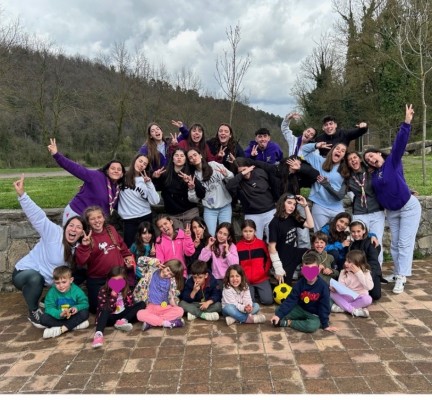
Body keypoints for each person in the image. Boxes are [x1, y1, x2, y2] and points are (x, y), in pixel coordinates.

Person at [11, 175, 87, 328]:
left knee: (81, 272)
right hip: (25, 273)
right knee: (36, 279)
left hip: (52, 280)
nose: (74, 229)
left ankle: (47, 300)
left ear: (82, 232)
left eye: (78, 227)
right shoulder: (54, 233)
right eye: (71, 225)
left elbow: (86, 261)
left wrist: (86, 246)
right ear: (66, 227)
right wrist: (22, 195)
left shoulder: (79, 246)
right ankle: (33, 311)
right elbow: (38, 217)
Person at [363, 104, 421, 294]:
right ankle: (397, 273)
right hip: (392, 211)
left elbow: (399, 144)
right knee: (395, 244)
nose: (370, 159)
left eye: (371, 155)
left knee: (404, 243)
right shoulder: (374, 175)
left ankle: (402, 277)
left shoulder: (392, 161)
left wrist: (406, 123)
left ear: (379, 153)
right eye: (368, 159)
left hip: (408, 207)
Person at [47, 138, 125, 225]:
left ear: (122, 174)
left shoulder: (117, 190)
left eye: (119, 169)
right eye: (113, 168)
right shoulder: (96, 176)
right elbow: (75, 168)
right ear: (107, 170)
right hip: (77, 213)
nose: (116, 171)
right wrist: (56, 155)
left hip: (93, 220)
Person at [75, 206, 135, 314]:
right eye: (92, 219)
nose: (97, 221)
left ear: (104, 217)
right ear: (88, 222)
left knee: (123, 306)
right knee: (96, 309)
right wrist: (85, 245)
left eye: (99, 217)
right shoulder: (87, 237)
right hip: (98, 279)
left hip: (117, 276)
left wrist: (127, 256)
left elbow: (121, 245)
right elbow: (81, 261)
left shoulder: (111, 229)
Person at [270, 252, 338, 333]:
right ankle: (300, 320)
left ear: (318, 269)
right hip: (300, 309)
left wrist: (325, 325)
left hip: (313, 314)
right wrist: (278, 315)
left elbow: (324, 306)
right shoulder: (299, 284)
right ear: (302, 270)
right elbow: (290, 300)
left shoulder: (323, 286)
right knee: (278, 311)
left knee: (312, 326)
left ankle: (288, 323)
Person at [92, 266, 146, 348]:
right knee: (104, 310)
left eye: (120, 280)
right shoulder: (103, 290)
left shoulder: (126, 290)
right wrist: (113, 296)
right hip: (109, 317)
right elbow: (105, 308)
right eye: (114, 280)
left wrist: (130, 312)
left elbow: (130, 305)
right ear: (109, 280)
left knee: (142, 304)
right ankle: (98, 335)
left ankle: (123, 321)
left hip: (122, 316)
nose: (116, 283)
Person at [225, 157, 277, 240]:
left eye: (245, 169)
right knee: (255, 240)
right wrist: (241, 174)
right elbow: (229, 186)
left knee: (273, 240)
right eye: (241, 172)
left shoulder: (260, 172)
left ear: (249, 167)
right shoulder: (238, 181)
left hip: (269, 211)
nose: (245, 173)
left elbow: (273, 182)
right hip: (252, 214)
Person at [152, 148, 205, 229]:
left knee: (190, 235)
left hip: (190, 212)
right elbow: (157, 188)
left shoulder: (191, 172)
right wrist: (155, 178)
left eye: (182, 156)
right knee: (178, 235)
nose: (179, 158)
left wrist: (192, 184)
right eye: (176, 155)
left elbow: (202, 193)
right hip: (173, 215)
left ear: (185, 159)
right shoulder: (165, 173)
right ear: (173, 159)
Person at [302, 141, 349, 231]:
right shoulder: (320, 161)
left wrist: (326, 184)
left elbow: (340, 196)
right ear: (332, 150)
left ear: (344, 156)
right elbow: (304, 150)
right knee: (320, 235)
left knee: (342, 234)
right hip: (320, 205)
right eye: (337, 148)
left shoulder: (345, 170)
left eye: (343, 151)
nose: (339, 151)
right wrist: (316, 145)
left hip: (337, 207)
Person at [268, 193, 314, 285]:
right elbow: (271, 247)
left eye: (294, 204)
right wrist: (278, 267)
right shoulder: (274, 223)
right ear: (282, 203)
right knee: (285, 287)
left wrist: (305, 206)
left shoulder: (293, 217)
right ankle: (274, 271)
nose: (292, 206)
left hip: (294, 253)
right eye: (289, 203)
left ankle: (307, 279)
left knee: (313, 255)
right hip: (284, 260)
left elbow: (310, 225)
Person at [187, 148, 234, 236]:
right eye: (190, 157)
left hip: (225, 206)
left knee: (225, 234)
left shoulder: (213, 165)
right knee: (210, 235)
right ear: (190, 162)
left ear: (200, 155)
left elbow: (232, 178)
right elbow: (194, 200)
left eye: (195, 155)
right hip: (209, 209)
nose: (193, 158)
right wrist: (191, 189)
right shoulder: (193, 176)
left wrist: (226, 175)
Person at [117, 154, 160, 248]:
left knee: (148, 247)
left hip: (145, 217)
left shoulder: (145, 180)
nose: (141, 165)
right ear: (135, 160)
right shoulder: (122, 177)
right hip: (128, 219)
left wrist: (149, 183)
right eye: (140, 161)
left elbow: (155, 201)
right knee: (130, 247)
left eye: (145, 164)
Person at [134, 258, 185, 331]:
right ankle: (167, 323)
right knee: (139, 314)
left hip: (164, 306)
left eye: (170, 274)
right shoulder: (151, 270)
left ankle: (151, 322)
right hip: (150, 306)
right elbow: (140, 261)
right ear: (165, 265)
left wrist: (175, 306)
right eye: (167, 270)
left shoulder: (172, 282)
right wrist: (154, 262)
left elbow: (172, 297)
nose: (167, 274)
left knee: (180, 311)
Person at [39, 266, 90, 339]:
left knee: (84, 313)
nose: (61, 286)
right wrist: (59, 314)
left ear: (71, 280)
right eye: (57, 283)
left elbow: (85, 304)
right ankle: (73, 326)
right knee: (43, 319)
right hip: (58, 316)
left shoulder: (76, 291)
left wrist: (76, 308)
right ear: (54, 281)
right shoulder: (52, 292)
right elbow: (49, 308)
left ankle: (60, 329)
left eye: (64, 282)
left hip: (73, 316)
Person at [236, 220, 273, 305]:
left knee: (268, 301)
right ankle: (254, 294)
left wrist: (264, 271)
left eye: (250, 231)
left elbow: (268, 259)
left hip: (261, 278)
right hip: (246, 280)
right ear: (241, 232)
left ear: (255, 231)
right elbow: (237, 264)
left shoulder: (261, 244)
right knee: (249, 302)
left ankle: (257, 293)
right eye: (245, 231)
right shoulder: (238, 246)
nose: (248, 234)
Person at [330, 250, 374, 318]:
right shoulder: (343, 272)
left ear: (358, 264)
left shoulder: (366, 272)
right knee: (331, 293)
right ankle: (354, 310)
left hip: (359, 297)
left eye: (349, 262)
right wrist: (335, 289)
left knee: (368, 299)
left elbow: (369, 287)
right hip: (347, 297)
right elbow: (341, 287)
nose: (345, 263)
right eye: (346, 260)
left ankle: (342, 308)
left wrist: (358, 273)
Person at [349, 220, 382, 301]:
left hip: (370, 271)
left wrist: (368, 277)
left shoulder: (370, 242)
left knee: (375, 295)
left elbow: (374, 262)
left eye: (358, 231)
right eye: (353, 231)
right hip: (356, 271)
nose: (356, 234)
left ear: (364, 231)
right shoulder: (351, 244)